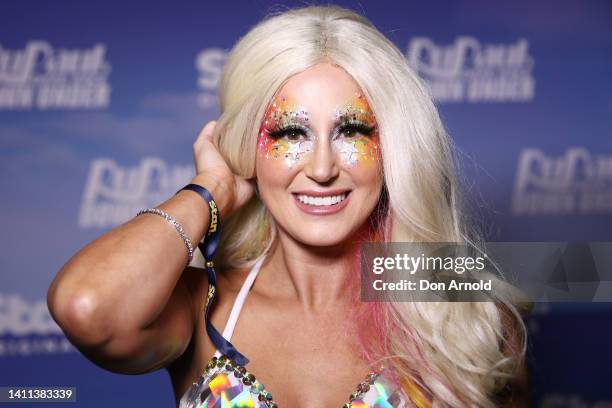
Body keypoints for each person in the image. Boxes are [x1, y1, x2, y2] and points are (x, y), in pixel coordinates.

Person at [47, 5, 529, 407]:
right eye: (290, 133)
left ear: (393, 147)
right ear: (247, 148)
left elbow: (592, 270)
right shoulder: (202, 306)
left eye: (353, 131)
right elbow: (87, 307)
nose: (321, 168)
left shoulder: (462, 308)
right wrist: (210, 189)